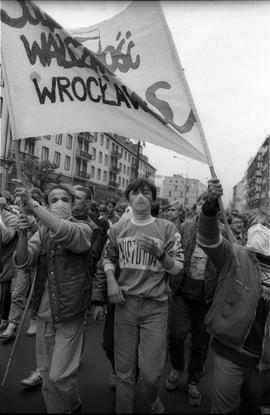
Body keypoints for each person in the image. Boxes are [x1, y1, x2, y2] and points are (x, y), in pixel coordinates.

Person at [103, 178, 184, 413]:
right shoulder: (117, 229)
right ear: (128, 198)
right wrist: (111, 281)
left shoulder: (167, 228)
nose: (140, 197)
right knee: (124, 372)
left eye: (145, 192)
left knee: (149, 375)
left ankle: (151, 400)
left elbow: (178, 268)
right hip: (125, 305)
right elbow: (107, 257)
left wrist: (160, 254)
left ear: (153, 199)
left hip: (155, 308)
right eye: (135, 193)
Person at [13, 182, 93, 413]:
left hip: (69, 312)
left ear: (73, 204)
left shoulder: (84, 229)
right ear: (48, 205)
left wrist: (34, 206)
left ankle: (73, 405)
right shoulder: (42, 231)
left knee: (60, 375)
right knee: (47, 375)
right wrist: (23, 234)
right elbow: (23, 261)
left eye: (65, 200)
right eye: (54, 200)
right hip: (44, 313)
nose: (59, 203)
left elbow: (65, 233)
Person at [197, 178, 270, 414]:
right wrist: (210, 208)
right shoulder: (235, 256)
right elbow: (209, 239)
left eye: (267, 226)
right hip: (233, 354)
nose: (261, 229)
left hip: (265, 364)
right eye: (256, 225)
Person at [165, 192, 218, 407]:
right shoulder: (185, 228)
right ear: (196, 207)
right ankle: (177, 366)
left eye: (209, 204)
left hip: (206, 296)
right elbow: (171, 253)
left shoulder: (221, 232)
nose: (204, 208)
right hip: (181, 291)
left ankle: (193, 381)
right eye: (201, 204)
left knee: (200, 342)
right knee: (177, 334)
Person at [0, 190, 18, 333]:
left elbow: (6, 238)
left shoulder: (11, 218)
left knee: (3, 294)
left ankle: (5, 320)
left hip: (3, 267)